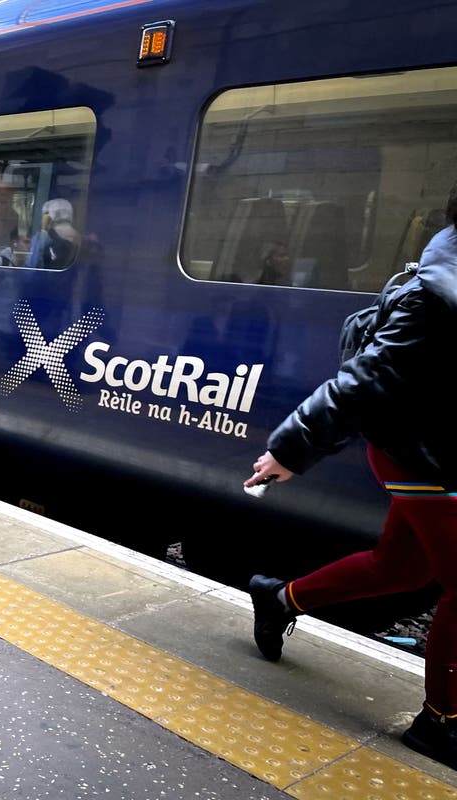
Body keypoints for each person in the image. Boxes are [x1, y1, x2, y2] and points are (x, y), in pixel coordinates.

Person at [245, 181, 457, 772]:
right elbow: (365, 382)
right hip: (423, 454)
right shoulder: (433, 294)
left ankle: (280, 597)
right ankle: (441, 722)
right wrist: (291, 447)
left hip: (443, 451)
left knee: (404, 566)